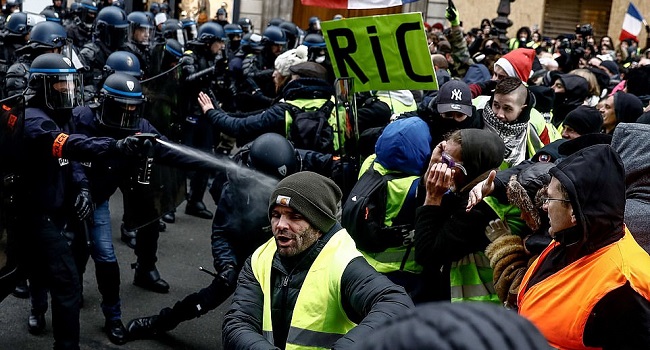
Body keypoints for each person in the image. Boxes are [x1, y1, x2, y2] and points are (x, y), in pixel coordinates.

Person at [20, 53, 148, 350]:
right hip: (35, 212)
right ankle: (50, 324)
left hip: (60, 205)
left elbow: (70, 160)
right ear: (41, 86)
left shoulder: (61, 115)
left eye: (69, 83)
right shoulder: (34, 120)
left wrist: (82, 188)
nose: (67, 90)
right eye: (59, 85)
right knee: (61, 279)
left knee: (63, 267)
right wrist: (114, 145)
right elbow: (70, 145)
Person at [125, 133, 301, 340]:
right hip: (245, 250)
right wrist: (227, 265)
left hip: (284, 249)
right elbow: (221, 233)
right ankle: (159, 323)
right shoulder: (233, 190)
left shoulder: (290, 162)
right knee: (210, 296)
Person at [222, 171, 414, 349]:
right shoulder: (260, 259)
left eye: (295, 216)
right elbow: (238, 324)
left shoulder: (342, 262)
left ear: (319, 224)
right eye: (276, 215)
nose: (280, 225)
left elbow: (398, 306)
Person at [517, 144, 650, 349]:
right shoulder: (568, 241)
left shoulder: (624, 286)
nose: (544, 206)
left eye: (550, 198)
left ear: (574, 211)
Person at [414, 129, 506, 302]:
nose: (442, 166)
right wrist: (431, 167)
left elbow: (427, 254)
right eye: (442, 155)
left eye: (448, 162)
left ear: (471, 169)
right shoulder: (467, 188)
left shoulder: (478, 206)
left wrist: (433, 196)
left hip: (478, 308)